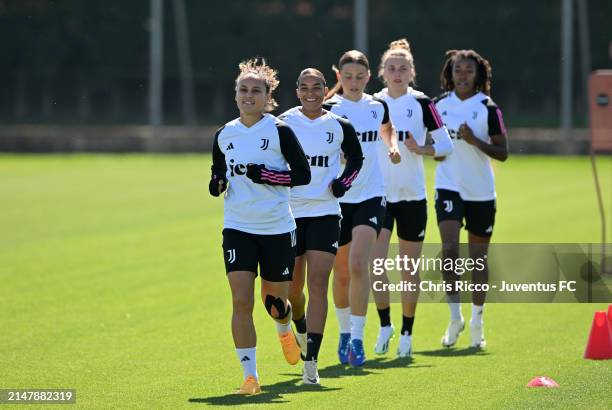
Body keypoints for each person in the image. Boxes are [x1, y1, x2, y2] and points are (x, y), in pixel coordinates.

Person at [209, 58, 311, 394]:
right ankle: (250, 377)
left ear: (268, 96)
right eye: (243, 89)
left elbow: (302, 175)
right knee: (241, 301)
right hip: (238, 227)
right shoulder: (224, 134)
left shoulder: (279, 131)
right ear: (235, 94)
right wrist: (217, 183)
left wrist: (267, 175)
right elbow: (219, 173)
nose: (248, 95)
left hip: (277, 228)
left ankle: (284, 328)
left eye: (256, 90)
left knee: (274, 303)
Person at [281, 68, 363, 383]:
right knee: (292, 290)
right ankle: (298, 327)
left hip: (326, 213)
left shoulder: (339, 125)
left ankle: (311, 363)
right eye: (304, 87)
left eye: (317, 87)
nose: (311, 93)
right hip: (289, 214)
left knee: (318, 284)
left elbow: (356, 159)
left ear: (326, 90)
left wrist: (343, 183)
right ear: (297, 90)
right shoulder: (284, 123)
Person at [371, 39, 453, 358]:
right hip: (378, 196)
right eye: (391, 67)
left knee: (408, 267)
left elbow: (446, 145)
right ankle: (384, 325)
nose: (397, 72)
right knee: (376, 265)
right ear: (382, 72)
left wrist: (424, 149)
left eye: (403, 68)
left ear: (411, 72)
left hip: (412, 196)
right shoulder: (372, 103)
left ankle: (406, 333)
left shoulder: (422, 103)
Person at [324, 50, 401, 367]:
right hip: (337, 198)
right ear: (339, 77)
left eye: (359, 77)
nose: (354, 82)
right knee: (340, 273)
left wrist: (392, 146)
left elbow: (387, 128)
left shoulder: (376, 106)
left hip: (371, 194)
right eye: (348, 77)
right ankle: (344, 333)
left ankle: (358, 339)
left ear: (368, 77)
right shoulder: (329, 109)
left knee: (359, 264)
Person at [434, 49, 508, 349]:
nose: (462, 75)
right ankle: (455, 316)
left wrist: (474, 140)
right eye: (457, 70)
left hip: (480, 191)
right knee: (449, 248)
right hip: (448, 186)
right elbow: (434, 145)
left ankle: (478, 320)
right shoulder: (438, 106)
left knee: (478, 258)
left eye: (468, 70)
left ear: (478, 74)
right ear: (450, 74)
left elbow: (503, 153)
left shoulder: (488, 108)